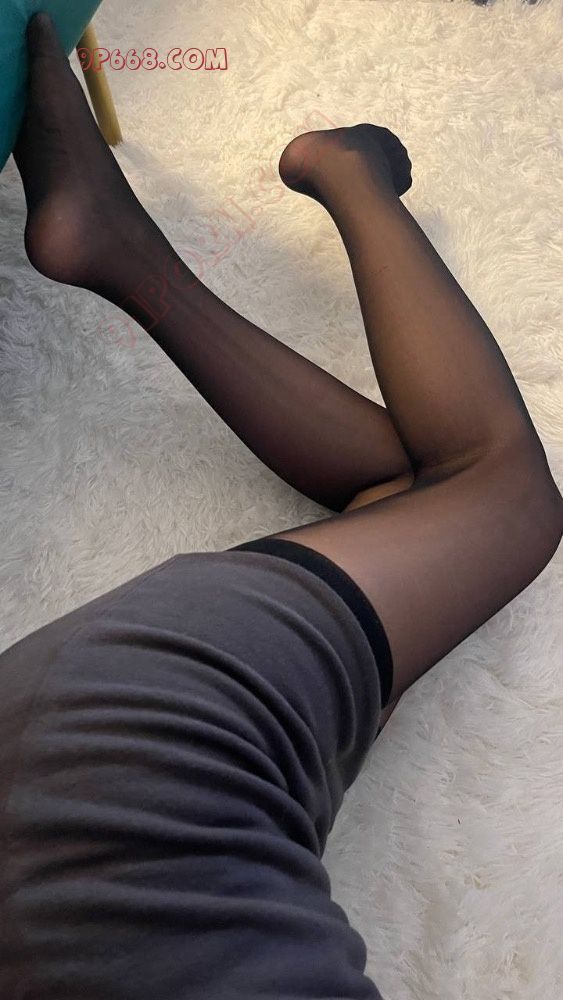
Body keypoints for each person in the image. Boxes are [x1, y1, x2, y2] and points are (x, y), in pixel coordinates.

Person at [1, 12, 561, 1000]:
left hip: (118, 780)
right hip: (77, 803)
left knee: (500, 492)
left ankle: (343, 171)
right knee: (406, 500)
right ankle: (119, 245)